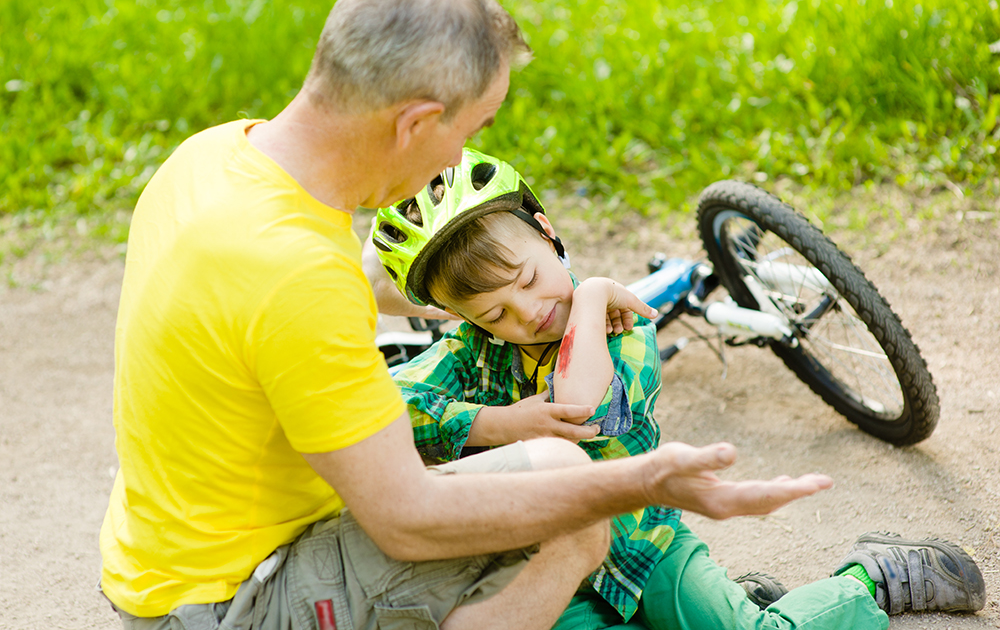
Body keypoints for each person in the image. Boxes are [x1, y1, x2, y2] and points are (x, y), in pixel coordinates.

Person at [100, 0, 835, 630]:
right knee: (570, 500)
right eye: (475, 128)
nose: (459, 159)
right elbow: (407, 522)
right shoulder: (299, 279)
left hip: (162, 569)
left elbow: (271, 304)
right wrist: (643, 479)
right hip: (237, 601)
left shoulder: (212, 157)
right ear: (417, 120)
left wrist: (440, 293)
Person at [369, 149, 987, 630]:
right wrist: (490, 424)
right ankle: (735, 602)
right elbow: (378, 405)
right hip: (554, 571)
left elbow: (578, 408)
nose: (524, 314)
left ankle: (870, 579)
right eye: (492, 314)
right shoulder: (476, 351)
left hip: (646, 548)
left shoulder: (622, 329)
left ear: (546, 229)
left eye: (529, 280)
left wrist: (588, 296)